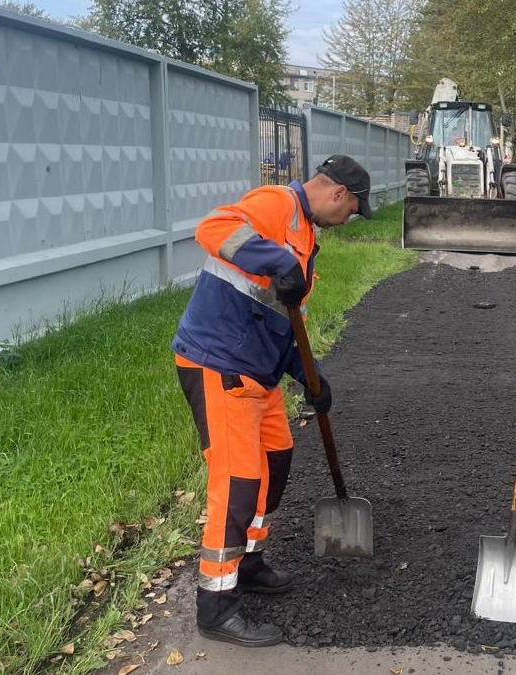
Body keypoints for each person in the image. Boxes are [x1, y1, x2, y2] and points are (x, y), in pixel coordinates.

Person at [170, 154, 372, 647]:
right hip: (219, 364)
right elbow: (214, 226)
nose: (349, 220)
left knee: (276, 463)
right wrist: (275, 260)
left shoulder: (305, 238)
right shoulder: (277, 204)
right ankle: (216, 605)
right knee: (238, 481)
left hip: (258, 373)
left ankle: (248, 562)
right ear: (337, 193)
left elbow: (285, 325)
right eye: (352, 211)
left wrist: (311, 379)